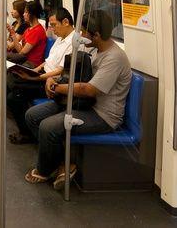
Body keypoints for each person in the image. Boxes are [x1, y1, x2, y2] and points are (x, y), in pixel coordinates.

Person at [24, 10, 132, 191]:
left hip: (102, 115)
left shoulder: (114, 58)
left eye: (83, 32)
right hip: (82, 104)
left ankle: (45, 170)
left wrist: (56, 88)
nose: (80, 35)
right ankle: (62, 164)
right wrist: (54, 80)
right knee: (32, 116)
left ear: (96, 35)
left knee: (48, 126)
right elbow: (69, 73)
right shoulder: (94, 49)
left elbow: (89, 90)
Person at [6, 7, 76, 144]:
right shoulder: (61, 38)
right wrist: (36, 70)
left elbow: (60, 71)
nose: (52, 30)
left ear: (66, 22)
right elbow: (48, 61)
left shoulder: (73, 43)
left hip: (52, 81)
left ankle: (27, 133)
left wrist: (35, 77)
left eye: (54, 25)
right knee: (14, 84)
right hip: (43, 74)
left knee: (14, 94)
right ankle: (26, 130)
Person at [0, 1, 46, 114]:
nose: (24, 14)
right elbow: (18, 48)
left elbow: (22, 51)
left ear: (31, 14)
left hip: (31, 64)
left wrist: (13, 35)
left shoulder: (37, 31)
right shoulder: (28, 29)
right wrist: (12, 33)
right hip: (22, 60)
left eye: (25, 12)